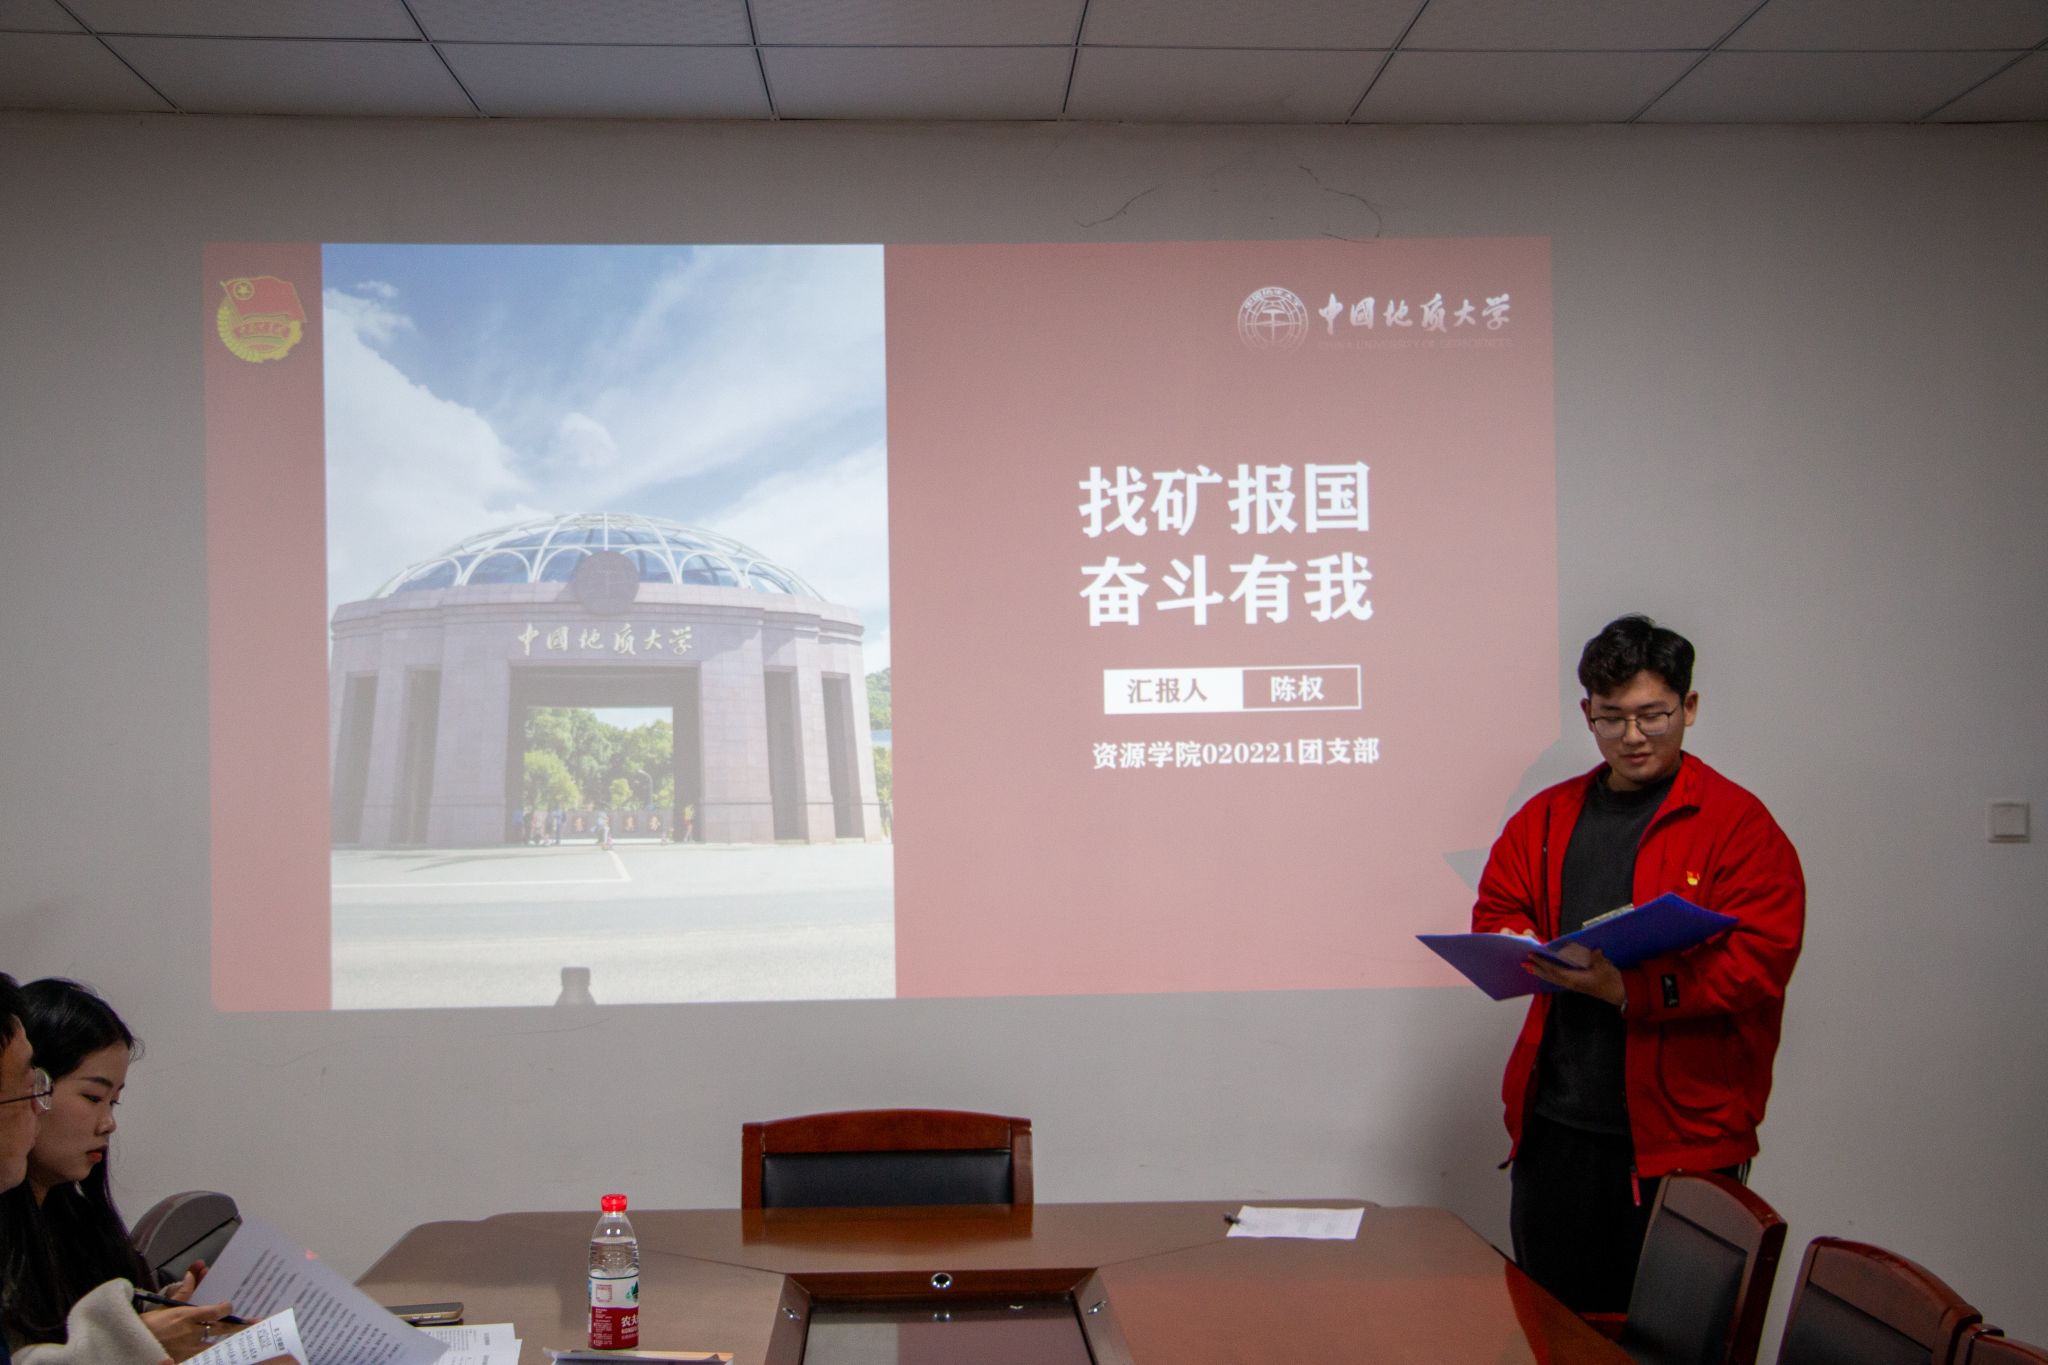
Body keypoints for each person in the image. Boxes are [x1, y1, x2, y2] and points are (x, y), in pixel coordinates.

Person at [1470, 615, 1804, 1313]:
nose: (1632, 736)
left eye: (1653, 715)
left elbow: (1761, 959)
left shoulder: (1737, 824)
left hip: (1685, 1140)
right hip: (1555, 1129)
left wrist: (1632, 989)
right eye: (1611, 717)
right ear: (1587, 712)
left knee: (1675, 1336)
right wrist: (1515, 940)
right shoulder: (1546, 816)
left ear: (1689, 707)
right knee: (1553, 1329)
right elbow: (1498, 906)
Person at [0, 980, 235, 1362]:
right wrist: (136, 1341)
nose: (108, 1123)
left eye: (114, 1101)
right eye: (93, 1097)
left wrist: (165, 1312)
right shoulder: (11, 1243)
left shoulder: (80, 1223)